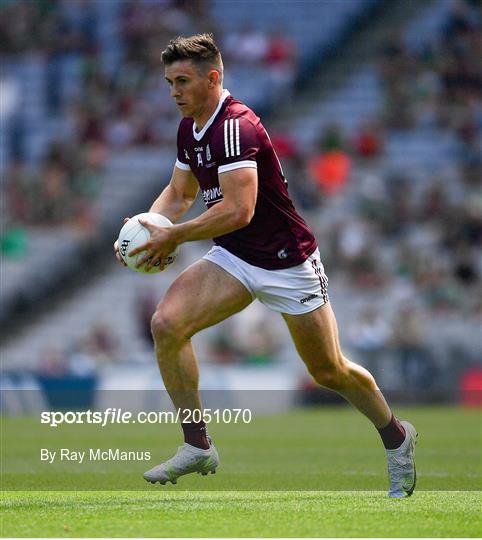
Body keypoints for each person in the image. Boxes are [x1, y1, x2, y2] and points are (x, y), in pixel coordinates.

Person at [113, 34, 417, 498]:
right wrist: (146, 229)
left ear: (213, 78)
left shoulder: (237, 126)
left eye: (182, 81)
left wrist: (172, 235)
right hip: (234, 257)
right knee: (167, 324)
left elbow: (240, 210)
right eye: (169, 82)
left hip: (287, 260)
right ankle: (197, 445)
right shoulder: (189, 127)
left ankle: (397, 439)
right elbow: (179, 195)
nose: (173, 91)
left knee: (329, 371)